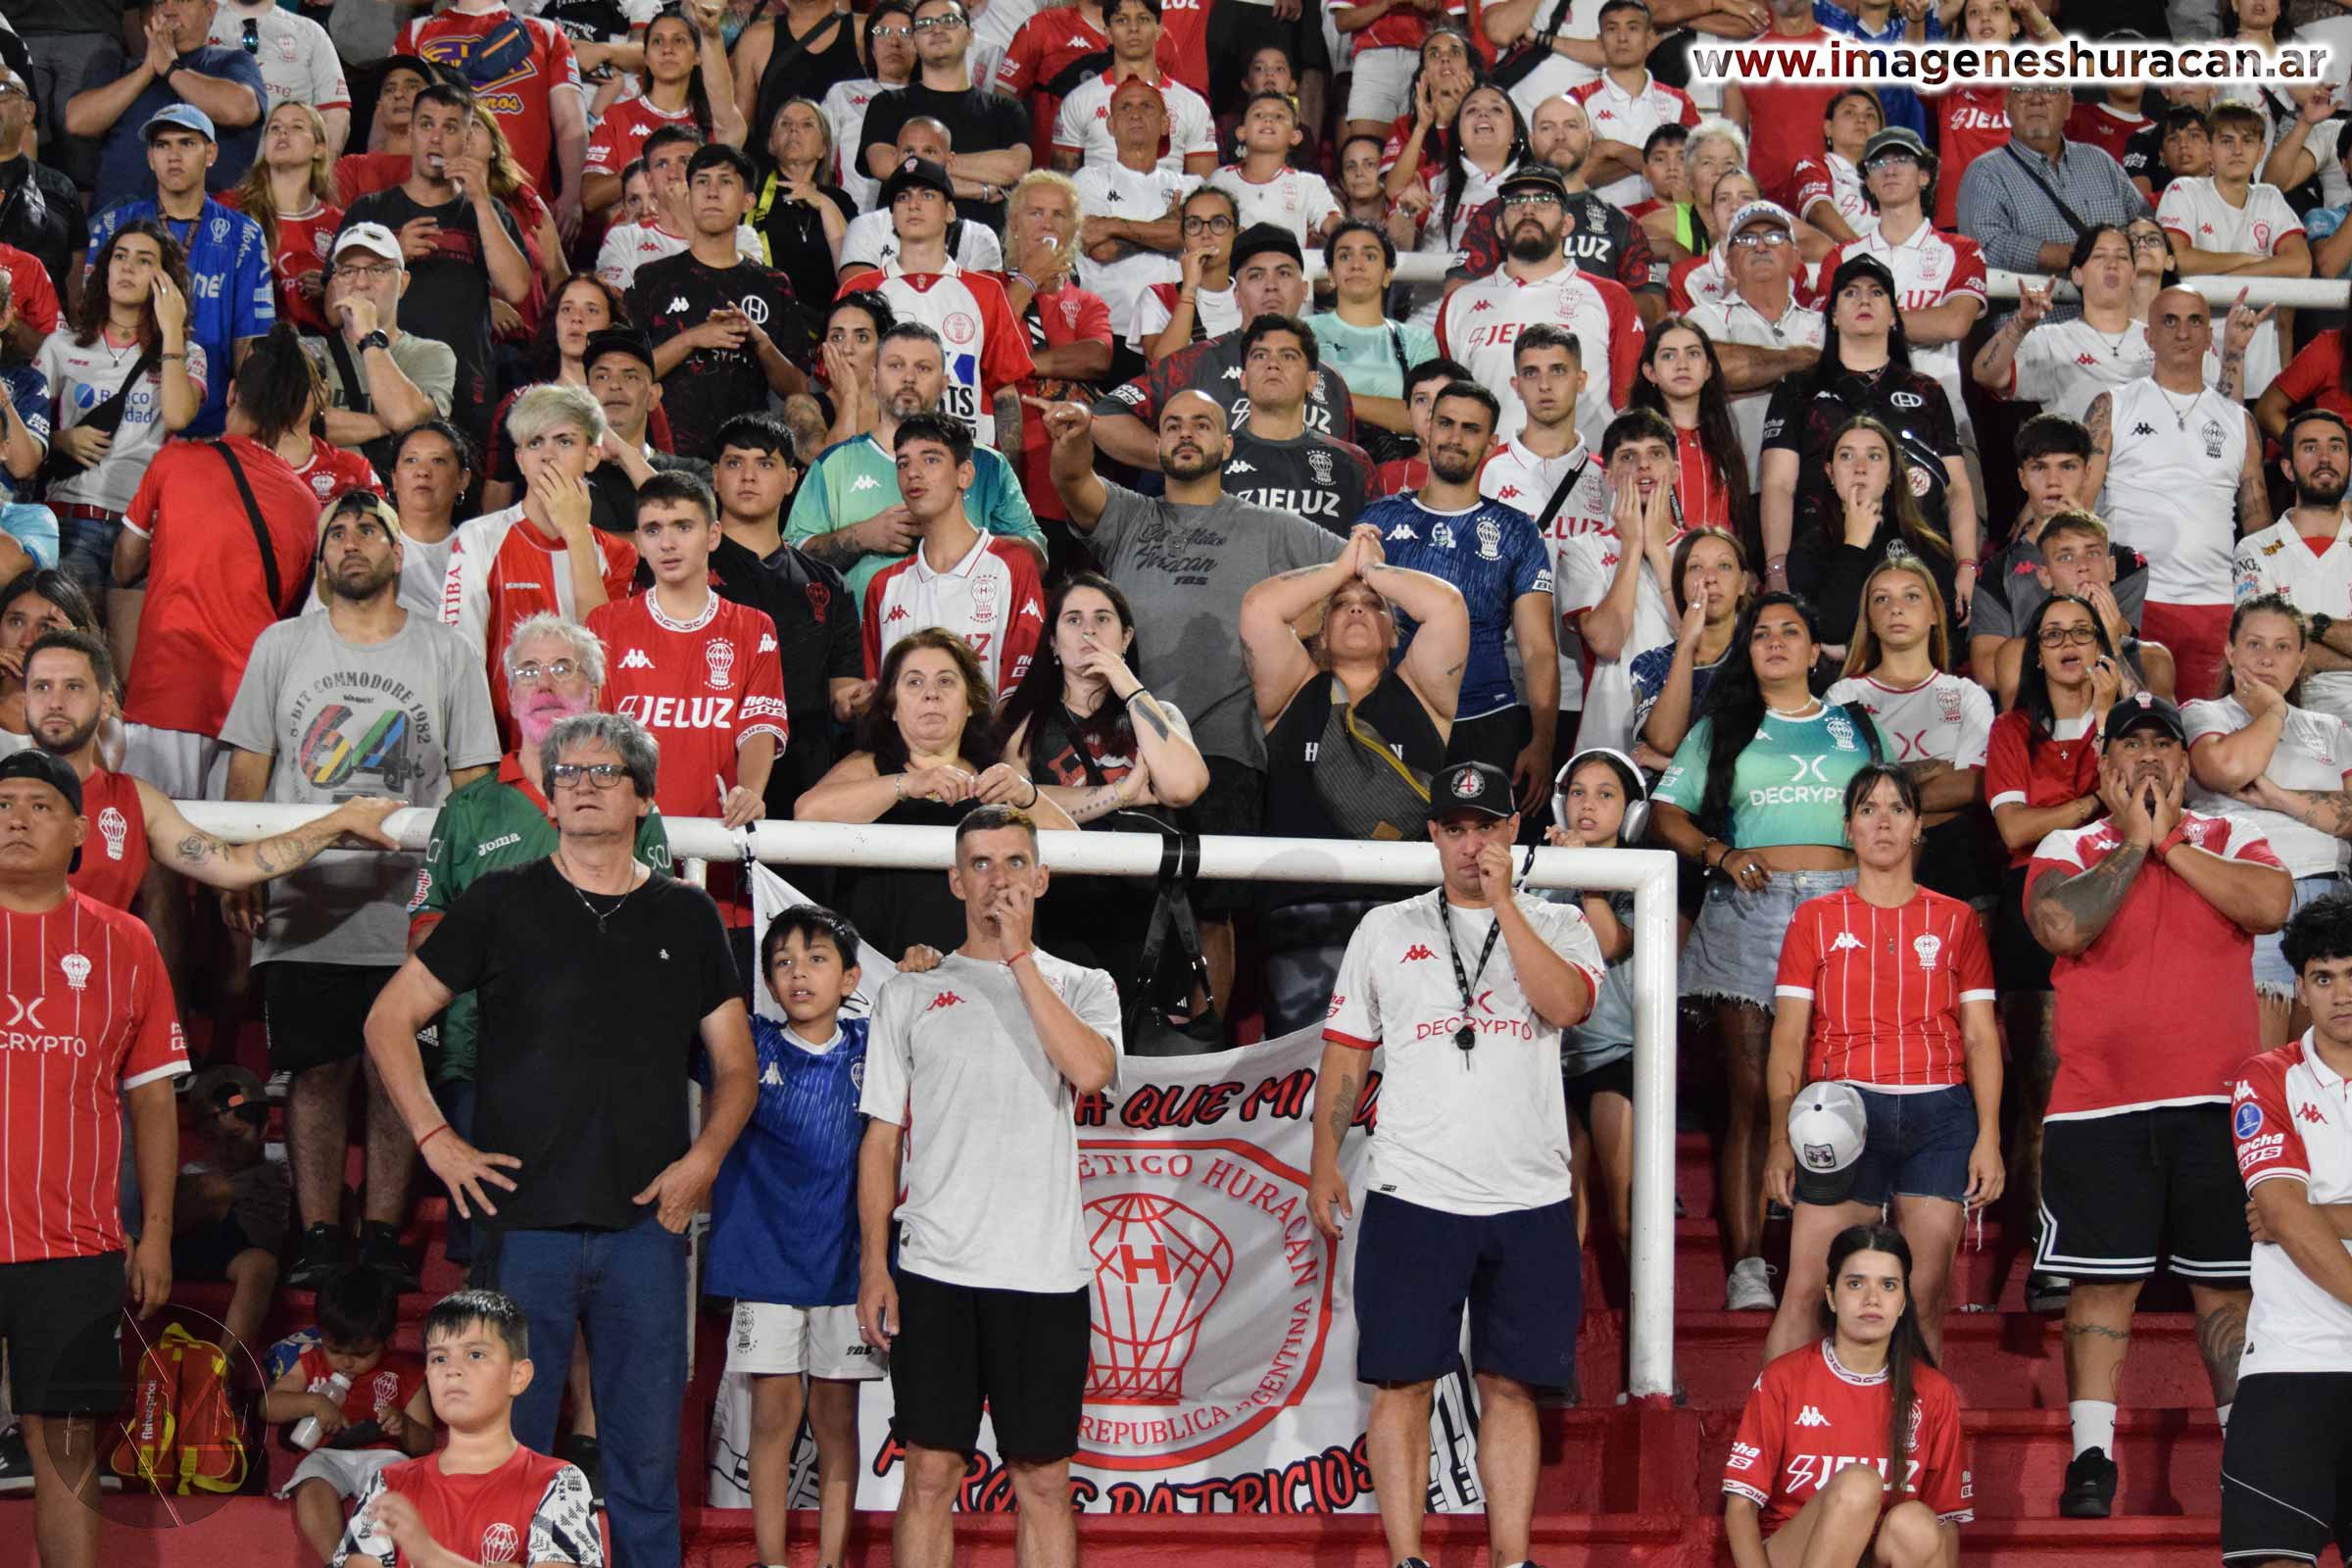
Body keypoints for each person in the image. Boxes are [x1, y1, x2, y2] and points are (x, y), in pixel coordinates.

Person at [366, 710, 755, 1568]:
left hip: (648, 1229)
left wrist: (703, 1162)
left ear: (644, 798)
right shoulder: (499, 901)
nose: (581, 785)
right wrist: (434, 1138)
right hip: (523, 1227)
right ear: (548, 796)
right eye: (567, 773)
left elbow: (737, 1068)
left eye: (603, 771)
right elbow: (388, 1019)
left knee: (645, 1470)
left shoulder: (688, 916)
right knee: (504, 1463)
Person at [1311, 758, 1602, 1568]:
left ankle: (1511, 1559)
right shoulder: (1386, 928)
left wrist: (1506, 904)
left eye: (1487, 827)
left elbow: (1566, 1005)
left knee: (1511, 1384)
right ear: (1434, 835)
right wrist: (1324, 1159)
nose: (1472, 845)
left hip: (1528, 1192)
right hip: (1414, 1188)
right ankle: (1408, 1558)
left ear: (1513, 828)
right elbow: (1346, 1053)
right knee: (1401, 1383)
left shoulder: (1561, 924)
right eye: (1455, 829)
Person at [222, 489, 500, 1291]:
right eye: (336, 532)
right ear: (320, 558)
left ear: (396, 551)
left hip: (412, 907)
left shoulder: (446, 651)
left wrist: (467, 898)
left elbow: (476, 786)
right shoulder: (280, 645)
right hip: (306, 898)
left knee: (392, 1074)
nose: (350, 541)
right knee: (315, 1072)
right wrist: (242, 868)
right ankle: (317, 1232)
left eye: (367, 529)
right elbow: (248, 770)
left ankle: (381, 1232)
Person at [2024, 689, 2291, 1518]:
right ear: (2104, 765)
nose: (2147, 756)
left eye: (2162, 744)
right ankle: (2092, 1458)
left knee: (2226, 1290)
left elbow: (2271, 906)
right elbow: (2060, 927)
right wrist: (2135, 844)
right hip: (2098, 1106)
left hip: (2218, 1102)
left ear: (2185, 761)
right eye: (2130, 745)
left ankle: (2246, 1462)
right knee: (2101, 1289)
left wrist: (2169, 841)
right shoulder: (2070, 842)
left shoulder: (2229, 833)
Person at [855, 804, 1118, 1568]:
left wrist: (1019, 959)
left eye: (1013, 863)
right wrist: (874, 1264)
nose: (997, 880)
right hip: (935, 1270)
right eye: (980, 863)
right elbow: (881, 1140)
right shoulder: (908, 992)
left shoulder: (1085, 984)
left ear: (1042, 877)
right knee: (930, 1474)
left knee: (1043, 1481)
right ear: (954, 880)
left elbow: (1090, 1072)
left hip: (1044, 1273)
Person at [1037, 390, 1342, 1009]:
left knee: (1210, 911)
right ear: (1157, 443)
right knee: (1117, 898)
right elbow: (1072, 481)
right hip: (1120, 742)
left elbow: (1357, 569)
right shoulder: (1129, 514)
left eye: (1202, 424)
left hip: (1225, 744)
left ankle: (1204, 1047)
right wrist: (1072, 439)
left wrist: (1306, 636)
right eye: (1172, 424)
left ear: (1226, 445)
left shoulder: (1271, 527)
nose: (1184, 432)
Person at [406, 612, 671, 1281]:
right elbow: (424, 931)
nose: (544, 683)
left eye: (562, 668)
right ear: (508, 692)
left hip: (606, 1074)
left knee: (597, 1262)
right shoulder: (468, 809)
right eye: (528, 670)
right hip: (481, 1063)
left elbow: (657, 935)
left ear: (595, 690)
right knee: (490, 1268)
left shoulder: (632, 804)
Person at [1649, 592, 1889, 1310]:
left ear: (1815, 650)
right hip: (1749, 905)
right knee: (1753, 1096)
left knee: (1842, 1085)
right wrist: (1718, 854)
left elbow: (1887, 811)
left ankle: (1837, 1261)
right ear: (1747, 651)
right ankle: (1748, 1267)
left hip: (1843, 906)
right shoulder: (1722, 727)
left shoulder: (1853, 723)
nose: (1776, 642)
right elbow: (1667, 812)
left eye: (1791, 631)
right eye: (1761, 634)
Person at [0, 747, 188, 1568]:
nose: (16, 819)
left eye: (39, 805)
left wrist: (157, 1235)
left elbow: (153, 1099)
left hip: (74, 1248)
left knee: (70, 1448)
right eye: (3, 804)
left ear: (81, 831)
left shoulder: (126, 942)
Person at [1762, 765, 2004, 1364]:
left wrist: (1990, 1136)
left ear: (1919, 826)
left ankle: (1911, 1427)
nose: (1884, 822)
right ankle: (1770, 1426)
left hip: (1941, 1115)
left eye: (1898, 809)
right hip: (1841, 1113)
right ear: (1849, 827)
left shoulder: (1957, 920)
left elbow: (1980, 1036)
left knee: (1924, 1297)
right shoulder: (1814, 919)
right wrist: (1778, 1140)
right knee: (1806, 1290)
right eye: (1868, 809)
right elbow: (1788, 1038)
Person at [1242, 524, 1468, 1035]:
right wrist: (1342, 567)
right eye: (1341, 605)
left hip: (1402, 914)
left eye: (1373, 605)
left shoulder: (1424, 693)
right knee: (1305, 1070)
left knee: (1404, 1067)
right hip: (1303, 914)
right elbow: (1259, 608)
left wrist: (1371, 570)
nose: (1358, 610)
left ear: (1395, 634)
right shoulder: (1292, 689)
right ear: (1320, 634)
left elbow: (1448, 607)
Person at [712, 905, 884, 1568]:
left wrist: (924, 966)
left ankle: (832, 1560)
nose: (798, 974)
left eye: (816, 959)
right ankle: (772, 1560)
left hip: (847, 1267)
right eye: (782, 962)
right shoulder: (748, 1044)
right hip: (765, 1264)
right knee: (772, 1419)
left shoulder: (875, 1044)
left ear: (850, 978)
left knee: (837, 1423)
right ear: (767, 982)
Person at [112, 327, 318, 801]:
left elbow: (124, 565)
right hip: (251, 710)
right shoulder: (307, 504)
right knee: (231, 844)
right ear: (294, 414)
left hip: (168, 692)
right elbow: (285, 607)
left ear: (230, 392)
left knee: (158, 838)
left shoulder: (175, 462)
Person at [587, 470, 785, 944]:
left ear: (713, 535)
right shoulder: (605, 623)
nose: (668, 542)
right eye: (653, 529)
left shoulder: (753, 626)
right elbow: (595, 741)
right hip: (625, 863)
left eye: (683, 526)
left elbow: (759, 724)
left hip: (720, 868)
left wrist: (750, 790)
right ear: (639, 541)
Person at [2224, 892, 2352, 1568]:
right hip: (2292, 1360)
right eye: (2324, 977)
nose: (2342, 994)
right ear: (2300, 986)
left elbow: (2292, 1217)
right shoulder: (2266, 1078)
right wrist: (2291, 1216)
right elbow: (2279, 1212)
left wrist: (2317, 1213)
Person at [1722, 1223, 1973, 1568]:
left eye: (1888, 1285)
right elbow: (1740, 1507)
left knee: (1917, 1523)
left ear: (1903, 1302)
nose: (1872, 1299)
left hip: (1875, 1555)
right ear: (1831, 1296)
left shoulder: (1932, 1391)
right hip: (1792, 1554)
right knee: (1859, 1485)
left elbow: (1945, 1520)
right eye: (1855, 1283)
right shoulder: (1785, 1378)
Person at [998, 571, 1209, 971]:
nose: (1088, 631)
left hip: (1148, 920)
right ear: (1052, 641)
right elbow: (1016, 805)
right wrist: (1121, 794)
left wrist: (1126, 684)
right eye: (1073, 619)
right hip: (1059, 914)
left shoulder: (1160, 715)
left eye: (1102, 619)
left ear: (1126, 637)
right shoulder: (1024, 723)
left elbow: (1183, 787)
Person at [1359, 378, 1555, 791]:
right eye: (1446, 423)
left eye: (1471, 428)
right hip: (1390, 717)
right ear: (1427, 429)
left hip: (1486, 719)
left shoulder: (1517, 531)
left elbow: (1538, 648)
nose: (1455, 437)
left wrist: (1542, 741)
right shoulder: (1377, 520)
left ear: (1491, 444)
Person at [1760, 255, 1975, 613]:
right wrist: (1777, 567)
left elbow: (1958, 488)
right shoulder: (1798, 388)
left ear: (1893, 316)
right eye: (1850, 292)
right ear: (1832, 315)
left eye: (1876, 292)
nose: (1863, 300)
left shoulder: (1927, 391)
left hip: (1916, 561)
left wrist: (1966, 566)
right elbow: (1778, 484)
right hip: (1822, 559)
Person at [2183, 596, 2352, 1048]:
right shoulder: (2202, 713)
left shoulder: (2331, 728)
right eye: (2254, 644)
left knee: (2327, 1061)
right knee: (2261, 1061)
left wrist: (2276, 797)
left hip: (2329, 899)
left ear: (2302, 658)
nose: (2266, 659)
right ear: (2230, 651)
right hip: (2248, 896)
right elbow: (2228, 770)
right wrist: (2274, 710)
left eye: (2282, 647)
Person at [2087, 285, 2268, 706]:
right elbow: (2081, 505)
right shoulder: (2114, 405)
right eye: (2169, 321)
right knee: (2140, 731)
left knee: (2210, 733)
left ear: (2209, 337)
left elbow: (2257, 522)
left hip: (2217, 606)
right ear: (2148, 335)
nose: (2183, 332)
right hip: (2133, 602)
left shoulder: (2239, 421)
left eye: (2194, 321)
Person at [331, 1289, 602, 1567]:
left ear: (518, 1376)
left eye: (475, 1354)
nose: (452, 1369)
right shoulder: (389, 1483)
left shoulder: (558, 1482)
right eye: (439, 1358)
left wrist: (429, 1555)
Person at [788, 319, 1046, 610]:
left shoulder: (985, 464)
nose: (908, 378)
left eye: (923, 368)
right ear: (874, 378)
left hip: (966, 635)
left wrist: (962, 539)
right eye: (895, 366)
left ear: (944, 383)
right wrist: (862, 536)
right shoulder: (834, 463)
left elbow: (1037, 559)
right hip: (862, 634)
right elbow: (792, 561)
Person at [341, 81, 533, 447]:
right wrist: (392, 253)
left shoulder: (489, 212)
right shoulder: (370, 210)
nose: (436, 138)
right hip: (381, 384)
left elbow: (516, 288)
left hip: (467, 391)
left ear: (467, 138)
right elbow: (332, 306)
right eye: (427, 124)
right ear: (411, 133)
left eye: (450, 127)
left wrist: (480, 201)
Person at [442, 385, 641, 738]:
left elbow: (603, 658)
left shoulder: (618, 554)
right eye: (535, 442)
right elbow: (459, 655)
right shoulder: (477, 537)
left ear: (592, 455)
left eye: (564, 441)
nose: (548, 455)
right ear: (520, 459)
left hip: (583, 744)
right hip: (501, 744)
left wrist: (576, 534)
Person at [83, 106, 275, 439]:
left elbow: (249, 339)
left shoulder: (244, 235)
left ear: (210, 154)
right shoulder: (113, 226)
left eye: (186, 143)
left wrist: (244, 426)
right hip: (123, 425)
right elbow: (92, 321)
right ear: (150, 158)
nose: (173, 156)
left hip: (211, 425)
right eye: (163, 145)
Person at [1095, 221, 1356, 465]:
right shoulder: (1196, 363)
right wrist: (1184, 462)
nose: (1271, 286)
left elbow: (1348, 466)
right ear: (1236, 295)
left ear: (1304, 290)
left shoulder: (1331, 381)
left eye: (1284, 273)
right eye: (1256, 276)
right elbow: (1104, 415)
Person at [709, 413, 866, 813]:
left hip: (801, 779)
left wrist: (865, 700)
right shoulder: (685, 569)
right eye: (734, 462)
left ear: (791, 479)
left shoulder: (828, 585)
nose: (748, 476)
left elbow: (843, 692)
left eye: (765, 464)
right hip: (707, 774)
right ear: (714, 476)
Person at [1437, 165, 1642, 449]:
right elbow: (1447, 407)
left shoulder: (1611, 297)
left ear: (1567, 223)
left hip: (1584, 469)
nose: (1529, 210)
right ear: (1499, 226)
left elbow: (1628, 406)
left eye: (1544, 200)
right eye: (1516, 201)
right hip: (1492, 471)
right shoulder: (1459, 304)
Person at [628, 144, 808, 463]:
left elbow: (798, 389)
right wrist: (692, 339)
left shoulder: (773, 284)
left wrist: (760, 341)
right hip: (667, 460)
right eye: (702, 181)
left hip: (745, 460)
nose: (712, 192)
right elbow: (630, 372)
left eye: (725, 181)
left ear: (748, 201)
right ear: (688, 196)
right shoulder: (652, 279)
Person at [839, 155, 1030, 447]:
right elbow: (840, 383)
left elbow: (1005, 391)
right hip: (881, 453)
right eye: (903, 197)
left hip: (966, 455)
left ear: (950, 212)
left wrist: (1008, 469)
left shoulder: (986, 291)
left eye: (927, 195)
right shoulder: (860, 290)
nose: (913, 205)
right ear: (892, 215)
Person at [1828, 126, 1986, 461]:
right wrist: (1917, 323)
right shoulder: (1841, 256)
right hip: (1858, 424)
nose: (1890, 169)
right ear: (1868, 182)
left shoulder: (1961, 249)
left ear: (1924, 176)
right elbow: (1829, 332)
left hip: (1942, 421)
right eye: (1877, 163)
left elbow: (1954, 323)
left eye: (1902, 159)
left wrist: (1864, 323)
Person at [861, 412, 1048, 696]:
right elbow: (876, 699)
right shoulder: (883, 586)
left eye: (931, 459)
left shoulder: (1013, 565)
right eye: (903, 463)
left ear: (965, 475)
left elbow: (1024, 689)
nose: (912, 473)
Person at [263, 1266, 433, 1561]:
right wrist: (313, 1402)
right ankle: (335, 1560)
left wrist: (404, 1425)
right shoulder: (312, 1361)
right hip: (326, 1455)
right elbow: (267, 1406)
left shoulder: (405, 1372)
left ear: (389, 1339)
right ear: (322, 1335)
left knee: (394, 1485)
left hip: (384, 1455)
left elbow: (426, 1443)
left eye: (362, 1354)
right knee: (311, 1484)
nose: (346, 1362)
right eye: (335, 1350)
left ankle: (370, 1559)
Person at [1557, 408, 1689, 757]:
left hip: (1688, 735)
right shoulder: (1581, 548)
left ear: (1675, 471)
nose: (1643, 466)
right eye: (1628, 457)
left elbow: (1700, 641)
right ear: (1610, 476)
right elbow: (1607, 643)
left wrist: (1657, 549)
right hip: (1608, 737)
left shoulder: (1703, 550)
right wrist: (1632, 546)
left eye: (1656, 454)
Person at [2157, 102, 2308, 403]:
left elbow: (2300, 264)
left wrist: (2221, 273)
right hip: (2197, 367)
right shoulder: (2184, 191)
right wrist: (2252, 259)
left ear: (2261, 151)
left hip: (2260, 370)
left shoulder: (2269, 196)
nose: (2237, 150)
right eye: (2227, 141)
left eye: (2247, 141)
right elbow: (2179, 260)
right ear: (2209, 149)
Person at [1967, 416, 2136, 680]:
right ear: (2022, 478)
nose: (2053, 481)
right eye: (2039, 468)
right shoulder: (1996, 571)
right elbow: (1989, 673)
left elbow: (2137, 661)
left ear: (2088, 472)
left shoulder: (2126, 563)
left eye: (2067, 467)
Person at [393, 0, 586, 229]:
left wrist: (572, 195)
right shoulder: (416, 31)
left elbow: (571, 123)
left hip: (524, 207)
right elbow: (393, 124)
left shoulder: (546, 33)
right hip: (436, 208)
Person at [65, 0, 267, 209]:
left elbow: (239, 109)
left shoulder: (232, 62)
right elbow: (77, 121)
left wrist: (170, 68)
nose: (168, 10)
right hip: (117, 220)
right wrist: (147, 70)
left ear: (210, 10)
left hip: (205, 223)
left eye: (182, 0)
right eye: (160, 2)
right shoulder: (121, 67)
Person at [1788, 415, 1960, 653]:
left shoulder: (1926, 545)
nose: (1860, 468)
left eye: (1874, 456)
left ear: (1891, 474)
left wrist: (1854, 650)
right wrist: (1854, 545)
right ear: (1830, 472)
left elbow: (1942, 632)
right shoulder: (1807, 550)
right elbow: (1829, 630)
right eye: (1846, 456)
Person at [1683, 200, 1824, 490]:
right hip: (1735, 488)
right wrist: (1804, 361)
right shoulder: (1704, 317)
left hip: (1815, 489)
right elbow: (1708, 369)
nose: (1760, 246)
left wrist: (1748, 382)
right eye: (1746, 239)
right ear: (1730, 262)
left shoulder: (1822, 323)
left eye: (1774, 236)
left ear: (1796, 257)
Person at [1955, 82, 2151, 291]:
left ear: (2068, 106)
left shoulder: (2101, 162)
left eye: (2050, 89)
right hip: (2036, 311)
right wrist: (2075, 256)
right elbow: (1985, 247)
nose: (2036, 98)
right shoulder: (1985, 172)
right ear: (2007, 104)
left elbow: (2147, 226)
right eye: (2023, 88)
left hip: (2118, 307)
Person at [859, 0, 1034, 232]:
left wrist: (915, 163)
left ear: (970, 35)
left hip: (983, 246)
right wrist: (978, 190)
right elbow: (884, 165)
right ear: (914, 41)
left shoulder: (1006, 109)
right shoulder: (887, 104)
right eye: (925, 24)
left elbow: (1014, 167)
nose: (937, 29)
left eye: (949, 20)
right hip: (903, 244)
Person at [302, 223, 457, 483]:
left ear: (403, 283)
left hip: (394, 500)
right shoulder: (308, 353)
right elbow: (302, 425)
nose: (361, 283)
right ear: (335, 284)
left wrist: (369, 337)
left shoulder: (431, 354)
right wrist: (389, 424)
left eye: (378, 269)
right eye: (348, 271)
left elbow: (405, 417)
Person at [2237, 411, 2352, 729]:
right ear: (2287, 468)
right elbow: (2266, 651)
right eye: (2310, 447)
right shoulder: (2255, 550)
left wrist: (2309, 623)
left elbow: (2286, 643)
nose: (2325, 458)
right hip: (2286, 708)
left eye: (2336, 447)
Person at [1070, 79, 1200, 360]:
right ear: (1110, 125)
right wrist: (1166, 227)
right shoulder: (1089, 179)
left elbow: (1185, 236)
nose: (1136, 114)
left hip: (1174, 329)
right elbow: (1101, 249)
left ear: (1165, 124)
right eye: (1125, 107)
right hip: (1108, 330)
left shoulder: (1190, 185)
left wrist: (1114, 225)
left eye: (1147, 106)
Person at [1989, 509, 2170, 708]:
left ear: (2111, 568)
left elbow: (2149, 724)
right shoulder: (2017, 654)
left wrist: (2113, 645)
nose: (2083, 566)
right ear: (2045, 576)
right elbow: (2022, 724)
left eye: (2092, 553)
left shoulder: (2153, 657)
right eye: (2066, 557)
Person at [579, 3, 743, 220]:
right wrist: (653, 164)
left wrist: (710, 34)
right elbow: (590, 197)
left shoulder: (714, 124)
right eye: (657, 41)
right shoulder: (617, 116)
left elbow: (722, 97)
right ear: (646, 57)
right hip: (632, 238)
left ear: (698, 56)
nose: (667, 49)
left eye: (679, 41)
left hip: (691, 238)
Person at [1220, 313, 1372, 530]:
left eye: (1288, 356)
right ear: (1243, 379)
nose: (1273, 364)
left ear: (1312, 381)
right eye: (1260, 356)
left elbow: (1370, 542)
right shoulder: (1214, 457)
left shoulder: (1352, 463)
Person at [1306, 220, 1436, 462]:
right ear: (1331, 275)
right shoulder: (1303, 333)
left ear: (1387, 274)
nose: (1357, 265)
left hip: (1394, 469)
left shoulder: (1417, 340)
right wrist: (1388, 410)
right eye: (1345, 256)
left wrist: (1336, 398)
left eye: (1370, 256)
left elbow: (1426, 418)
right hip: (1318, 463)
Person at [1629, 526, 1752, 770]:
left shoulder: (1758, 656)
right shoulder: (1651, 664)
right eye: (1696, 567)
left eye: (1724, 566)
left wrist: (1672, 765)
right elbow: (1665, 740)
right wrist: (1686, 644)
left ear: (1742, 583)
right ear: (1681, 586)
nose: (1710, 578)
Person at [597, 125, 769, 295]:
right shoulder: (625, 239)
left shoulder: (740, 236)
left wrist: (684, 216)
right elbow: (617, 302)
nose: (674, 174)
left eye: (685, 161)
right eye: (662, 164)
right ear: (649, 180)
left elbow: (743, 291)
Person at [1051, 0, 1214, 177]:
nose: (1133, 28)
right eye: (1122, 20)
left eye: (1143, 19)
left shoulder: (1192, 104)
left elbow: (1204, 187)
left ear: (1159, 30)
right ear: (1108, 32)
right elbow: (1064, 186)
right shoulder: (1078, 101)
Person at [1564, 1, 1699, 210]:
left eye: (1633, 28)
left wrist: (1612, 150)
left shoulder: (1680, 101)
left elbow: (1693, 168)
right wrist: (1658, 159)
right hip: (1603, 222)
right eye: (1612, 29)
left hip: (1668, 220)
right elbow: (1578, 176)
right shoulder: (1578, 99)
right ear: (1600, 41)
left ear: (1649, 38)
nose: (1622, 38)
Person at [1628, 316, 1750, 542]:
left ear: (1708, 368)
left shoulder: (1725, 443)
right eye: (1668, 355)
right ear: (1650, 372)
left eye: (1693, 354)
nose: (1682, 364)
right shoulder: (1630, 443)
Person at [838, 120, 1008, 281]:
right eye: (909, 151)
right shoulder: (867, 226)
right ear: (896, 158)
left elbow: (984, 299)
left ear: (950, 162)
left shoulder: (978, 237)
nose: (917, 160)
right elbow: (858, 296)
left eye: (929, 151)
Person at [232, 101, 345, 339]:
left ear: (319, 149)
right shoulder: (233, 211)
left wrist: (330, 289)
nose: (282, 133)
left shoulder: (339, 224)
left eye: (296, 127)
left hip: (319, 348)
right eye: (275, 128)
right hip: (248, 346)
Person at [751, 99, 857, 309]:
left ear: (823, 149)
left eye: (807, 124)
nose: (794, 129)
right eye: (785, 123)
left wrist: (825, 204)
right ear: (771, 144)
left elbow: (852, 273)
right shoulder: (753, 193)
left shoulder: (840, 201)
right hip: (768, 314)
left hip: (826, 318)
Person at [825, 0, 918, 219]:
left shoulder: (931, 97)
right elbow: (822, 163)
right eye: (883, 32)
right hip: (850, 217)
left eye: (906, 32)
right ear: (871, 46)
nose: (894, 42)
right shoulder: (843, 93)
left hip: (913, 213)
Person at [1207, 91, 1338, 245]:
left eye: (1279, 117)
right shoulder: (1221, 180)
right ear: (1241, 132)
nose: (1268, 120)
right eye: (1258, 115)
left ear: (1295, 136)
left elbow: (1333, 224)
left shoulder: (1309, 184)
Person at [0, 67, 85, 292]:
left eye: (2, 90)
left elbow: (75, 277)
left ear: (28, 111)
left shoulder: (61, 188)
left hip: (47, 311)